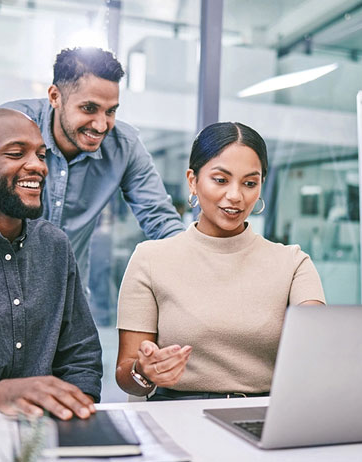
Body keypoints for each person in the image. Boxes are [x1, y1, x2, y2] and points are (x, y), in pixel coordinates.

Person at [115, 122, 326, 400]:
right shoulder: (150, 259)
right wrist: (145, 372)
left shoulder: (293, 263)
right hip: (178, 412)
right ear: (193, 181)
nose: (236, 196)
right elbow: (125, 373)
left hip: (264, 412)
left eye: (249, 183)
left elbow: (317, 342)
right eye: (220, 180)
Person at [0, 108, 102, 419]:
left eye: (41, 154)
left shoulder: (54, 245)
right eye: (15, 153)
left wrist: (73, 413)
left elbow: (81, 360)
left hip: (50, 431)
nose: (38, 166)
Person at [0, 47, 184, 295]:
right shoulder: (10, 126)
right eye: (88, 108)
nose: (101, 125)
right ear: (55, 96)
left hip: (66, 298)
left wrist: (197, 266)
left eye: (111, 111)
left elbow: (161, 220)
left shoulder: (124, 146)